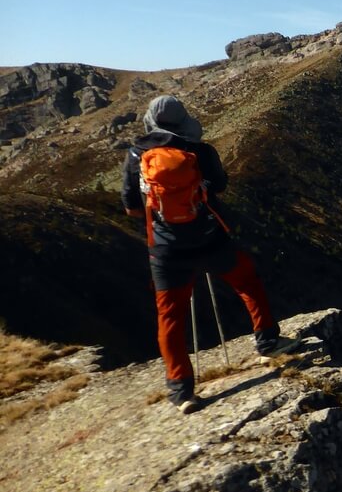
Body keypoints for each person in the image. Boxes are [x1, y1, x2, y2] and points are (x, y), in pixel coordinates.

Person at [122, 95, 297, 413]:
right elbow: (219, 185)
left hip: (166, 250)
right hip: (209, 239)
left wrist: (164, 213)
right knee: (247, 281)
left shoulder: (136, 156)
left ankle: (181, 391)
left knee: (170, 317)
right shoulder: (199, 151)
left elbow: (132, 207)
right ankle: (268, 341)